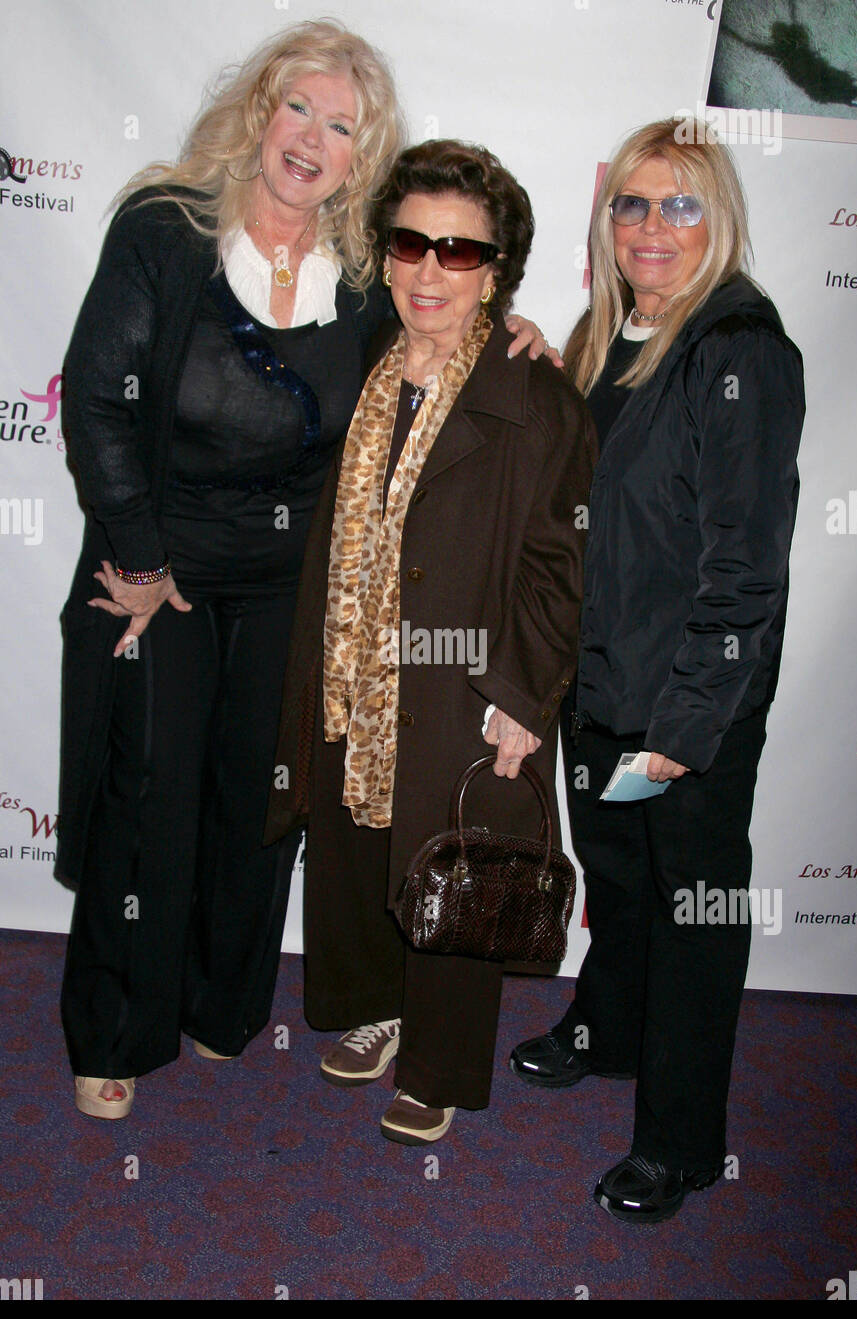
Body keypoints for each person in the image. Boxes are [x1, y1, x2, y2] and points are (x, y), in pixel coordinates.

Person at [58, 22, 550, 1121]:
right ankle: (116, 1032)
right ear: (257, 110)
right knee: (147, 795)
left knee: (260, 802)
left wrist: (519, 335)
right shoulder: (166, 230)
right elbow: (95, 398)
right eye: (299, 109)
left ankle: (223, 1008)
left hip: (295, 583)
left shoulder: (367, 269)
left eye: (342, 125)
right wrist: (136, 558)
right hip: (162, 569)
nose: (312, 138)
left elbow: (445, 317)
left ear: (358, 154)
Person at [265, 139, 595, 1146]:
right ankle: (372, 1001)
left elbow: (558, 567)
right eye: (410, 244)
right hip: (351, 671)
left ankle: (441, 1063)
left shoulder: (534, 397)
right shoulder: (361, 356)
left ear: (494, 269)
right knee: (361, 846)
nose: (427, 271)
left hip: (464, 684)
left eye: (459, 252)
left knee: (453, 864)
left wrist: (519, 699)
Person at [510, 118, 805, 1222]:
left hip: (692, 704)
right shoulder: (612, 333)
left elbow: (742, 573)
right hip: (601, 683)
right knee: (620, 879)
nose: (648, 225)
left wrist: (681, 729)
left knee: (695, 910)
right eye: (630, 204)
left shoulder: (740, 352)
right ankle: (605, 1028)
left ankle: (680, 1142)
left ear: (714, 218)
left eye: (676, 204)